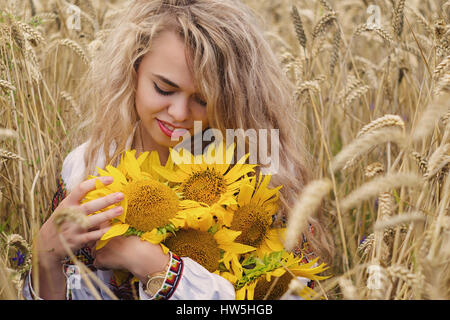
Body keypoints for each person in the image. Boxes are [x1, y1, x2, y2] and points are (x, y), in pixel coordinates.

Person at [23, 0, 334, 300]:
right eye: (164, 89)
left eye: (202, 99)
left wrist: (157, 268)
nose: (179, 113)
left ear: (233, 97)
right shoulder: (86, 167)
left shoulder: (260, 171)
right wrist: (45, 257)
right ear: (134, 69)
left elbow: (293, 294)